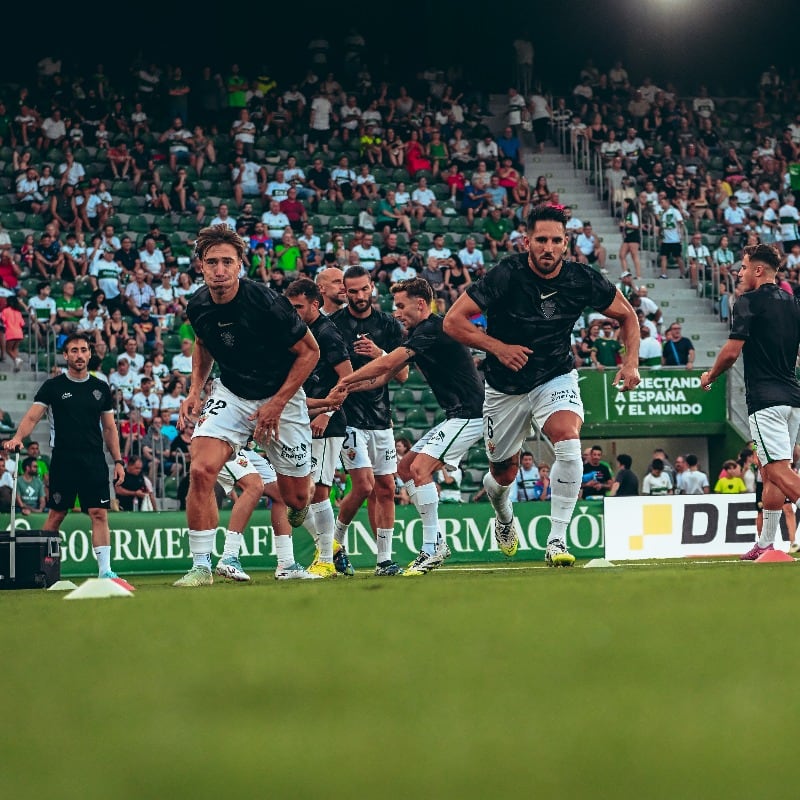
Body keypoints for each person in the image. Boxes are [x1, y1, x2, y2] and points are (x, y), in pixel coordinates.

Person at [443, 203, 640, 566]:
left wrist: (630, 362)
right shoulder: (506, 275)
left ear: (566, 243)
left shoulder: (583, 279)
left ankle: (557, 542)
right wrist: (498, 348)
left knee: (568, 441)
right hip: (504, 387)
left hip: (555, 375)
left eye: (556, 240)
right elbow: (452, 322)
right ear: (526, 242)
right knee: (502, 473)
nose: (548, 248)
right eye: (541, 240)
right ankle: (503, 513)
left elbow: (627, 315)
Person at [172, 225, 320, 587]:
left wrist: (278, 404)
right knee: (201, 470)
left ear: (240, 265)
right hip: (233, 393)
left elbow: (309, 352)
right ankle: (202, 566)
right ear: (201, 267)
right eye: (212, 262)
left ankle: (304, 498)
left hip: (281, 395)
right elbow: (204, 346)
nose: (219, 269)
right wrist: (195, 390)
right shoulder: (197, 305)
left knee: (295, 496)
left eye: (227, 261)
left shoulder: (267, 303)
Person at [329, 277, 484, 575]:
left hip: (471, 415)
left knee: (418, 470)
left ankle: (431, 547)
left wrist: (346, 380)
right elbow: (382, 379)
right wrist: (345, 391)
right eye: (394, 306)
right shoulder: (421, 332)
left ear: (421, 304)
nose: (396, 312)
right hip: (457, 416)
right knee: (406, 468)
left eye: (400, 306)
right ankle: (435, 541)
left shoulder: (430, 330)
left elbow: (388, 366)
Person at [701, 243, 800, 560]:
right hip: (792, 399)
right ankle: (767, 542)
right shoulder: (793, 303)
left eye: (743, 267)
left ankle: (768, 542)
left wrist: (710, 376)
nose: (739, 272)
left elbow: (731, 353)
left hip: (765, 400)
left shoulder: (746, 302)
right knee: (770, 473)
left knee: (778, 471)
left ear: (758, 270)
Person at [3, 333, 126, 579]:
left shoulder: (100, 388)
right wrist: (18, 438)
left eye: (83, 350)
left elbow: (110, 428)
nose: (79, 355)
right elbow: (32, 417)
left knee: (99, 513)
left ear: (90, 354)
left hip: (94, 460)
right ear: (65, 355)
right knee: (57, 514)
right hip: (64, 460)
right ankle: (41, 572)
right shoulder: (53, 386)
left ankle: (106, 572)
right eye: (74, 351)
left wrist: (119, 460)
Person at [329, 265, 408, 576]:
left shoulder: (388, 325)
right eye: (353, 291)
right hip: (348, 417)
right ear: (344, 292)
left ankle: (384, 560)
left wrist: (379, 353)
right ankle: (335, 541)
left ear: (372, 287)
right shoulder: (333, 325)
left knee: (386, 487)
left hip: (380, 419)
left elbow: (402, 374)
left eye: (364, 289)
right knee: (363, 485)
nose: (359, 296)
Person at [284, 279, 354, 578]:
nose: (294, 312)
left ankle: (325, 558)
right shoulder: (299, 332)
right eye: (291, 307)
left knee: (319, 491)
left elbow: (347, 377)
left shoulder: (327, 333)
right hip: (303, 416)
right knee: (298, 492)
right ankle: (331, 550)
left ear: (316, 304)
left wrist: (327, 412)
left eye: (299, 307)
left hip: (325, 421)